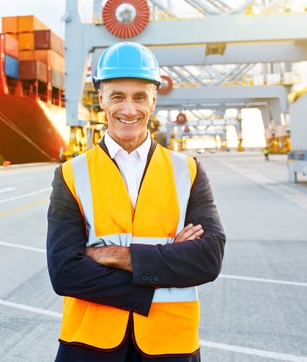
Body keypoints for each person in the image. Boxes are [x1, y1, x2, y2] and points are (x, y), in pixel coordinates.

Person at [46, 41, 226, 362]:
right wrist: (166, 264)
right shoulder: (71, 175)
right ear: (100, 98)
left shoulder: (189, 171)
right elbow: (64, 273)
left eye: (139, 97)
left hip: (170, 347)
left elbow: (208, 259)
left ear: (154, 100)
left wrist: (116, 255)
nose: (129, 110)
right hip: (88, 347)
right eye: (118, 97)